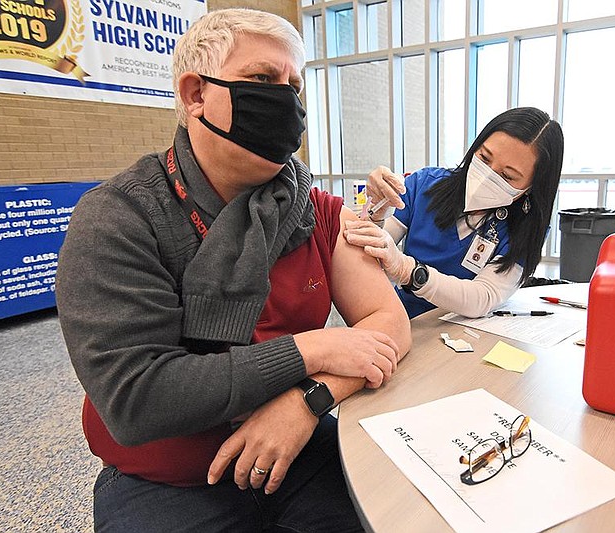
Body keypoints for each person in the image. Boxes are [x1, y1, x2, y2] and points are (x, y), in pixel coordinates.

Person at [55, 9, 411, 532]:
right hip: (170, 481)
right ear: (195, 93)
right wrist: (313, 348)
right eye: (263, 80)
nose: (286, 101)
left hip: (298, 448)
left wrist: (306, 401)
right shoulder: (121, 218)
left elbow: (388, 323)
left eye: (295, 86)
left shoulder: (316, 211)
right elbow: (137, 399)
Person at [343, 107, 564, 319]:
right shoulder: (424, 185)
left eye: (508, 176)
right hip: (407, 320)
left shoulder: (527, 227)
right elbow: (367, 257)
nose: (487, 176)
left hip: (470, 333)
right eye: (484, 158)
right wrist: (376, 213)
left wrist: (408, 271)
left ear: (532, 186)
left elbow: (483, 297)